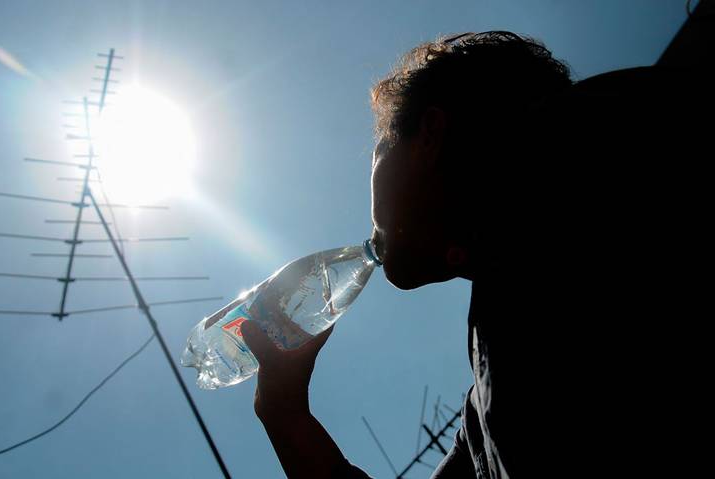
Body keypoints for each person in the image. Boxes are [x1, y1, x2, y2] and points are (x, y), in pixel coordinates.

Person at [239, 26, 712, 478]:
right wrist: (284, 413)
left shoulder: (624, 164)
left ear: (429, 133)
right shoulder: (482, 406)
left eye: (379, 151)